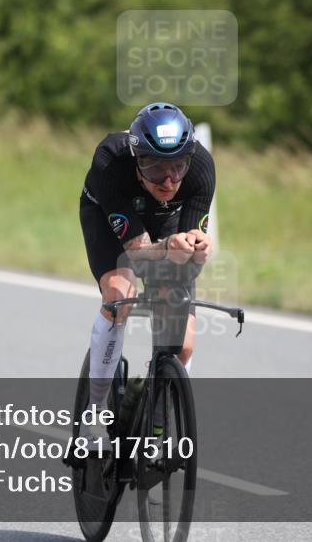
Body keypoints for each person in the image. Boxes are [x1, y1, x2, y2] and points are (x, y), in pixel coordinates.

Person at [78, 102, 215, 444]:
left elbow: (188, 250)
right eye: (155, 170)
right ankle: (94, 415)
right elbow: (137, 253)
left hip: (165, 220)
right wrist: (169, 247)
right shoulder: (111, 161)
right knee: (119, 296)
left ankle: (159, 416)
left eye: (177, 168)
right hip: (110, 218)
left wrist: (199, 249)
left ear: (189, 159)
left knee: (182, 342)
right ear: (137, 161)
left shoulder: (200, 169)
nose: (168, 181)